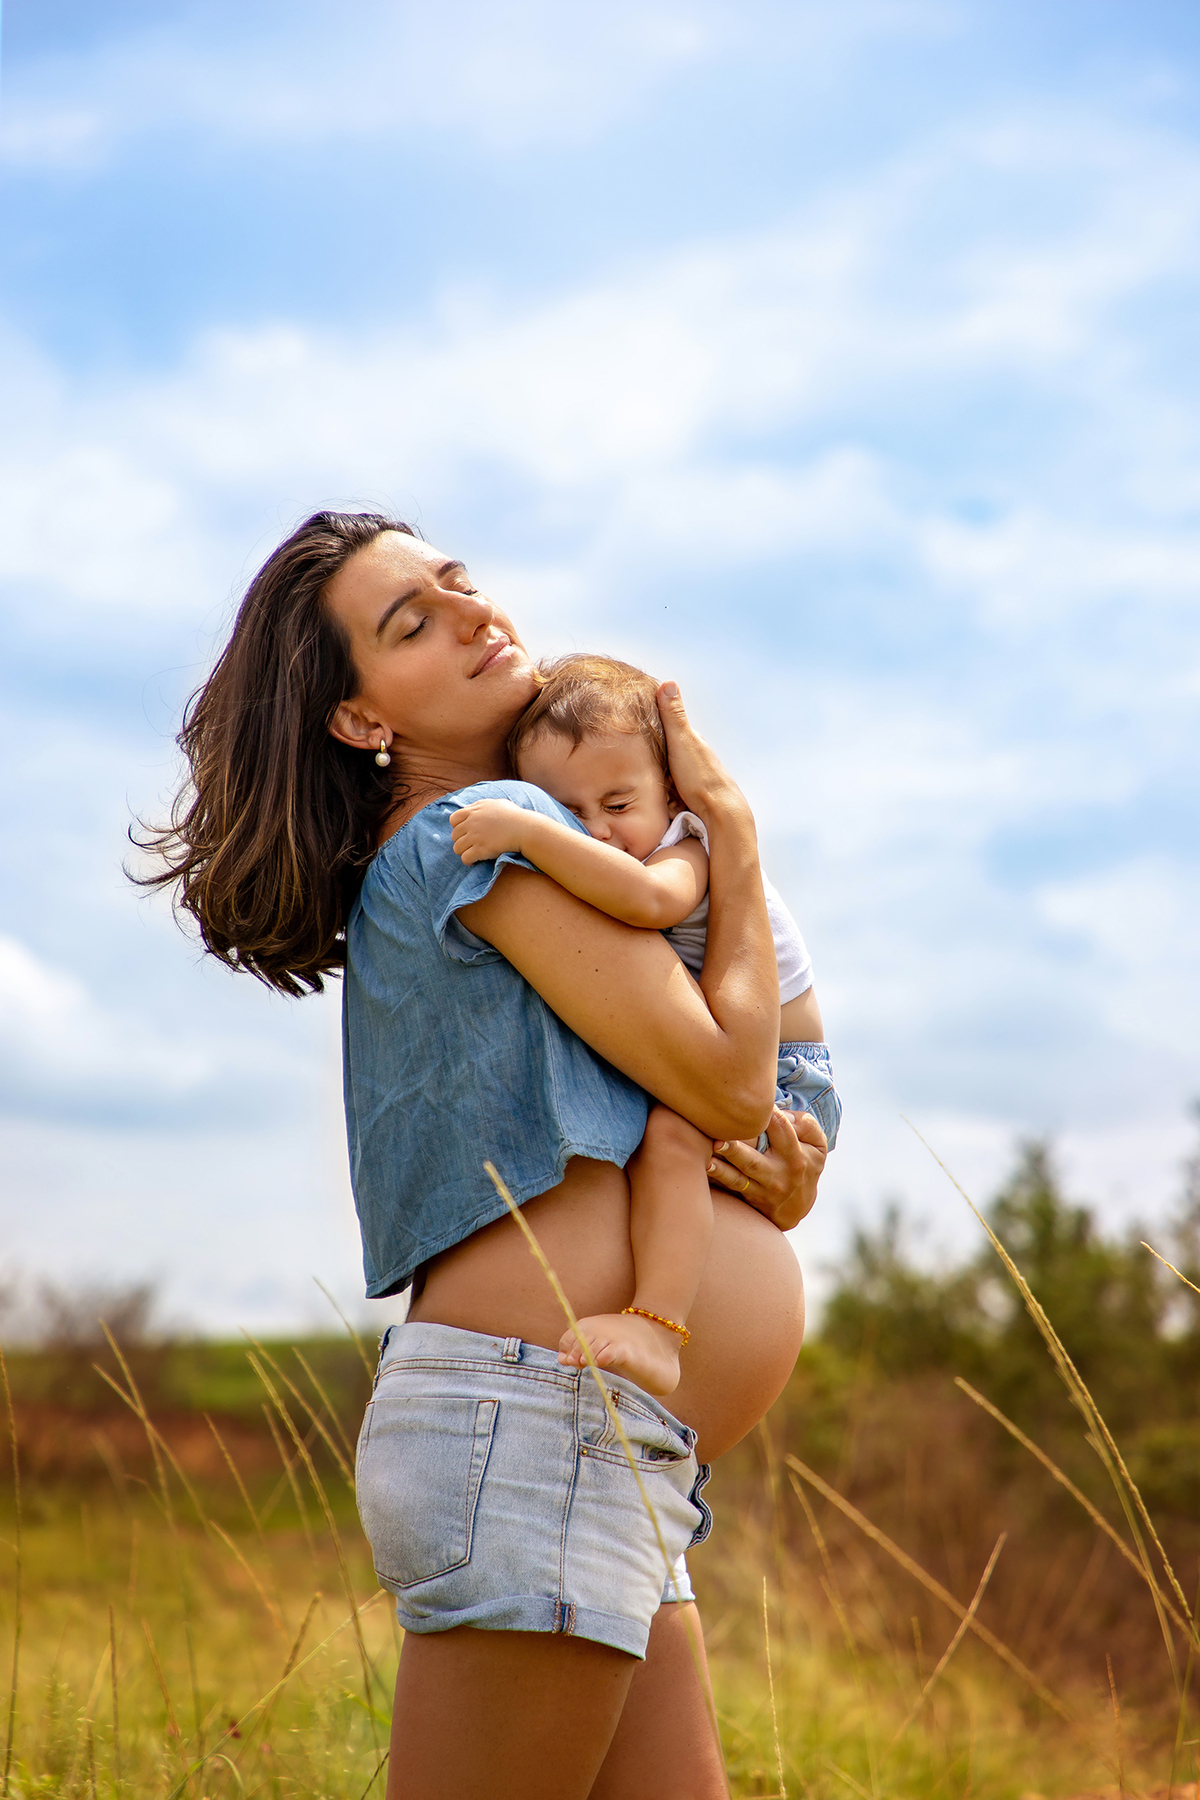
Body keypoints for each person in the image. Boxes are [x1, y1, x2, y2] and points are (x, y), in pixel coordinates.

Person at [141, 511, 829, 1800]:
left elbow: (693, 1103)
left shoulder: (481, 841)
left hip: (601, 1445)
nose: (470, 611)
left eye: (456, 583)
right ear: (359, 719)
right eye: (412, 622)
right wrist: (726, 830)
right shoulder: (488, 824)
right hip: (538, 1429)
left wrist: (780, 1163)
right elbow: (730, 1072)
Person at [449, 652, 840, 1398]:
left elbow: (648, 903)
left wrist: (531, 834)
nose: (596, 832)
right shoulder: (627, 845)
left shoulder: (687, 847)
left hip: (788, 1075)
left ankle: (660, 1325)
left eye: (618, 805)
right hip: (761, 1062)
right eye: (568, 812)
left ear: (669, 791)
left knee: (667, 1139)